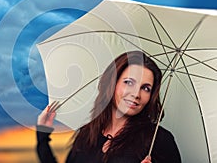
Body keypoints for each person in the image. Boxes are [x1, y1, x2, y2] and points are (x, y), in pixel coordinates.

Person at [36, 51, 181, 163]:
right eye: (129, 82)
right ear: (113, 83)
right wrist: (42, 134)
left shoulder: (159, 141)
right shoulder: (87, 133)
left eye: (146, 88)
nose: (136, 94)